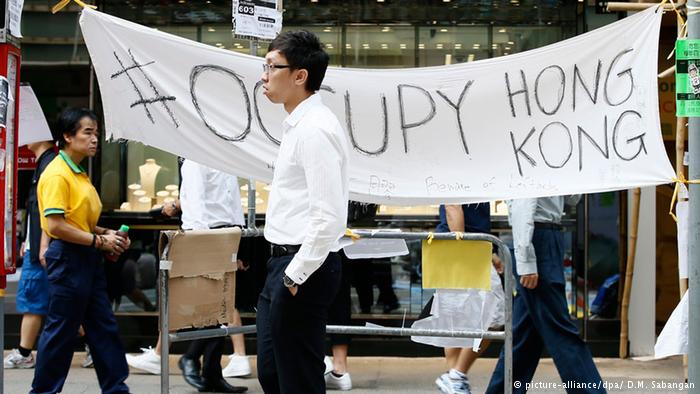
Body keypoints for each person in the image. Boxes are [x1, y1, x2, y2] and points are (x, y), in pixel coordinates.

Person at [256, 30, 349, 394]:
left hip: (303, 265)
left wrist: (294, 277)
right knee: (273, 373)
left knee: (298, 379)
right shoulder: (297, 124)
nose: (264, 75)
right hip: (282, 262)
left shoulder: (315, 130)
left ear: (300, 76)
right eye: (263, 66)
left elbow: (328, 216)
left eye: (271, 66)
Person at [126, 159, 249, 393]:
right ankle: (191, 358)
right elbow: (195, 205)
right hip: (207, 234)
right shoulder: (196, 158)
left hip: (226, 233)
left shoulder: (223, 153)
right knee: (211, 308)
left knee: (221, 308)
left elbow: (232, 202)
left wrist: (237, 241)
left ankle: (212, 372)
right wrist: (200, 245)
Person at [31, 108, 131, 394]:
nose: (94, 139)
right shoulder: (57, 174)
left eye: (96, 133)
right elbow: (56, 226)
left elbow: (78, 221)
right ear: (67, 136)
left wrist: (104, 233)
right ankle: (43, 391)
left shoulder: (79, 173)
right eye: (87, 132)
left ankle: (116, 389)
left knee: (103, 327)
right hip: (68, 257)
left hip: (86, 257)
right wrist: (98, 241)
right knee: (61, 332)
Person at [486, 196, 605, 394]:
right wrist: (526, 260)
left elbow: (571, 198)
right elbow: (525, 201)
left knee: (525, 336)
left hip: (542, 235)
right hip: (538, 236)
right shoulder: (536, 164)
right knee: (559, 331)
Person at [412, 203, 504, 394]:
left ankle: (454, 379)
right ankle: (456, 375)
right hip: (465, 248)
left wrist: (490, 251)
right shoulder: (459, 172)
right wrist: (466, 251)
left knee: (455, 318)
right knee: (495, 315)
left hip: (462, 247)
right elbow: (453, 205)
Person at [4, 139, 56, 369]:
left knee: (33, 299)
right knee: (59, 304)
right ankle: (94, 347)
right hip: (37, 247)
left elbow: (46, 212)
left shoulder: (49, 165)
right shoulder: (43, 164)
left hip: (41, 251)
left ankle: (24, 353)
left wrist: (39, 245)